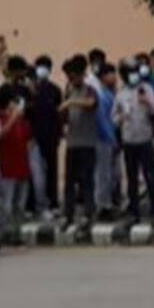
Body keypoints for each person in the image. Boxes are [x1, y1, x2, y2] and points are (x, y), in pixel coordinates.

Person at [113, 66, 154, 224]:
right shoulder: (121, 93)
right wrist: (121, 117)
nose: (134, 76)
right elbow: (113, 117)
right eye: (130, 73)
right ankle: (134, 212)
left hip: (145, 139)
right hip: (128, 140)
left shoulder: (146, 89)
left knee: (150, 175)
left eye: (135, 73)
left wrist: (146, 101)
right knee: (132, 178)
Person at [60, 57, 100, 230]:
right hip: (72, 143)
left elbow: (91, 103)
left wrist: (71, 102)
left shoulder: (89, 90)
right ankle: (68, 215)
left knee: (87, 181)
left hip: (87, 143)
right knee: (69, 182)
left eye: (74, 76)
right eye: (69, 77)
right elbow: (64, 114)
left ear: (81, 75)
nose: (71, 80)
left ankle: (88, 213)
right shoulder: (68, 91)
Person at [25, 54, 62, 219]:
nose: (42, 70)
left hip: (51, 136)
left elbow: (58, 114)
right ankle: (31, 205)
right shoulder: (29, 91)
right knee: (33, 174)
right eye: (40, 66)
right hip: (34, 138)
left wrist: (58, 134)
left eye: (46, 66)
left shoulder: (55, 90)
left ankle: (52, 202)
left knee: (51, 171)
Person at [0, 92, 32, 246]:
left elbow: (28, 142)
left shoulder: (23, 123)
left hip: (22, 168)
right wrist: (12, 119)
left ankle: (16, 234)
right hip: (7, 170)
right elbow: (0, 136)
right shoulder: (0, 120)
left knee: (20, 206)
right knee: (5, 205)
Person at [92, 61, 120, 218]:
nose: (114, 77)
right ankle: (103, 206)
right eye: (110, 74)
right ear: (103, 77)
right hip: (104, 139)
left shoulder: (111, 94)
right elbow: (102, 121)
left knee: (113, 174)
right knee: (103, 174)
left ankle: (109, 202)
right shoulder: (102, 96)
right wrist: (111, 139)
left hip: (112, 138)